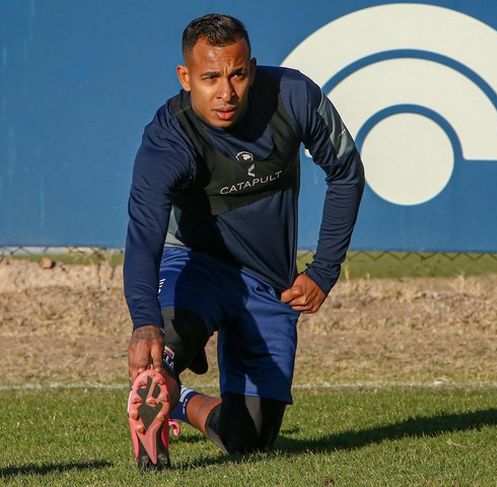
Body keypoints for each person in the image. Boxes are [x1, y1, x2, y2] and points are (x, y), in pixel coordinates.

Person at [123, 13, 364, 469]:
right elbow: (143, 235)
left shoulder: (294, 97)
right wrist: (144, 322)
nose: (226, 91)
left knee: (248, 440)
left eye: (236, 74)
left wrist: (323, 270)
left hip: (269, 283)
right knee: (170, 339)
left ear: (251, 68)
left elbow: (346, 173)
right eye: (210, 77)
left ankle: (175, 399)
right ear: (185, 77)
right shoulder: (168, 138)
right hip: (196, 264)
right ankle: (159, 378)